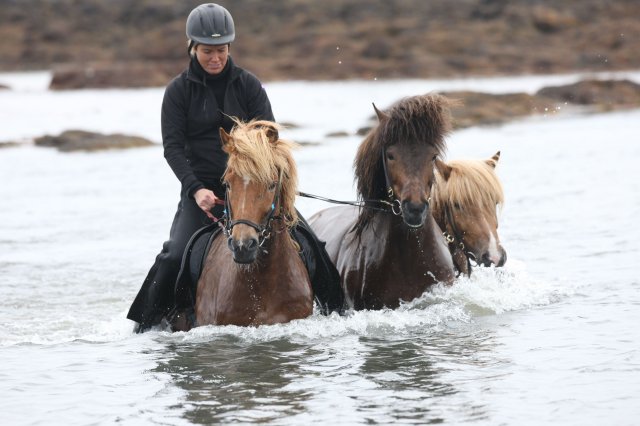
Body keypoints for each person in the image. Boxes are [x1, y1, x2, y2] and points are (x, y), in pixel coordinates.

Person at [128, 3, 343, 332]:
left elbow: (270, 140)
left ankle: (340, 317)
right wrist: (196, 188)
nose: (215, 58)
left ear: (230, 48)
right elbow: (172, 148)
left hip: (253, 189)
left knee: (314, 247)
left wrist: (264, 183)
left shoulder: (249, 85)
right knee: (173, 256)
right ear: (192, 48)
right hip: (203, 193)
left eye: (221, 50)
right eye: (207, 51)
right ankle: (148, 328)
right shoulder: (177, 92)